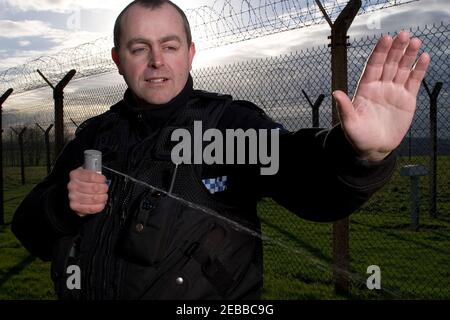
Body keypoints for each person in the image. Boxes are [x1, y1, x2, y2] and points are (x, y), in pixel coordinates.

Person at [12, 0, 429, 300]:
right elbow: (27, 229)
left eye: (170, 46)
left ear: (190, 54)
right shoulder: (93, 135)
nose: (157, 60)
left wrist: (358, 154)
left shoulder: (225, 125)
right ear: (118, 59)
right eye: (139, 48)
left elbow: (304, 176)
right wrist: (62, 207)